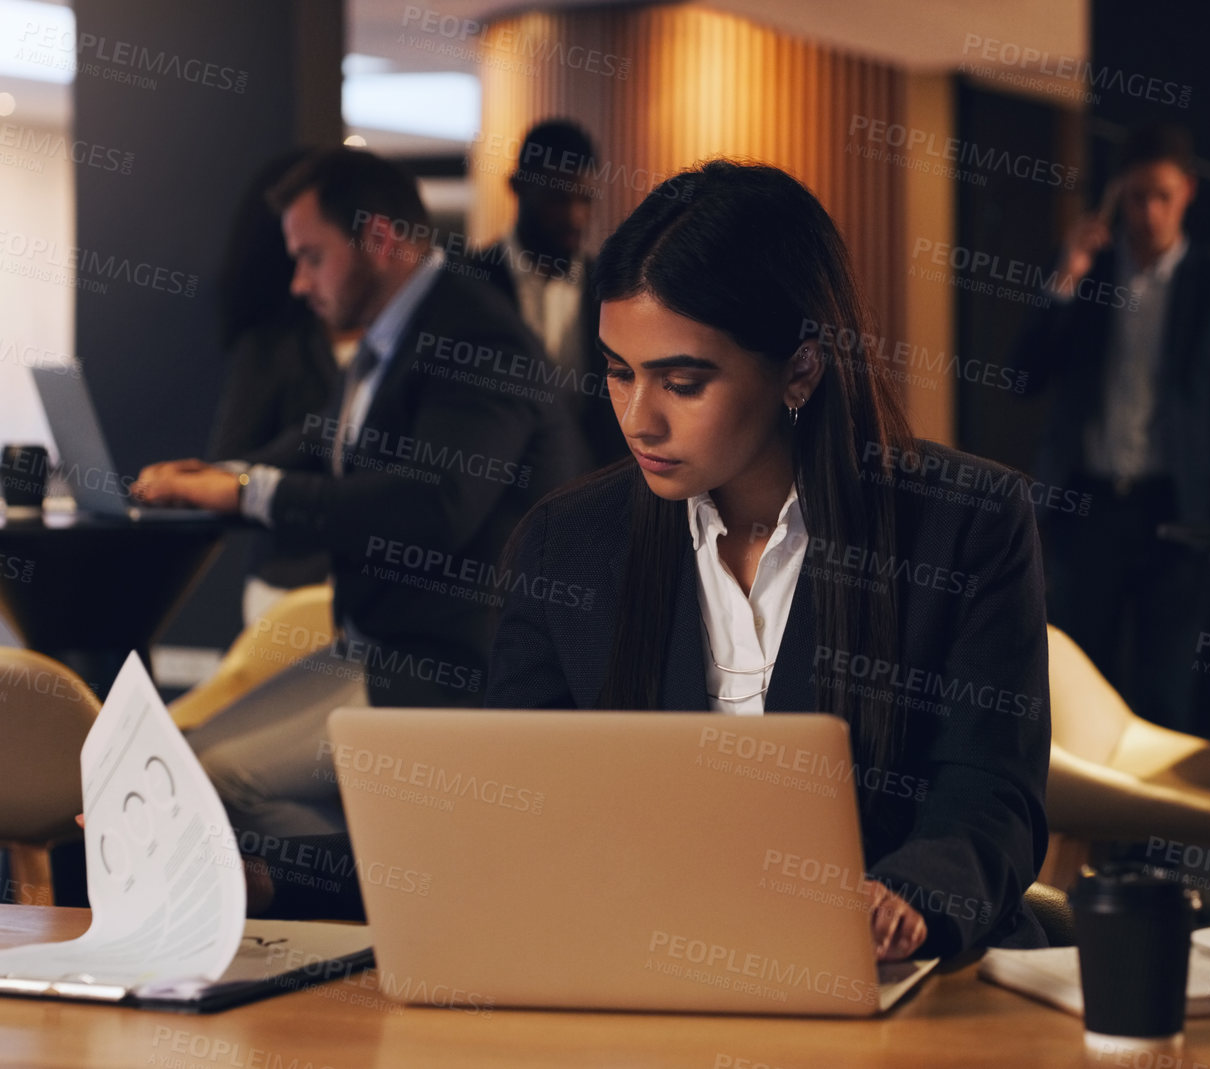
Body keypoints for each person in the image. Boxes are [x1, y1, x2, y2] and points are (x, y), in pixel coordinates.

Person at [235, 160, 1053, 964]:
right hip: (649, 972)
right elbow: (503, 823)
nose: (638, 420)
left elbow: (988, 796)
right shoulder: (570, 542)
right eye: (619, 372)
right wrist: (272, 876)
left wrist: (905, 895)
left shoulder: (965, 524)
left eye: (683, 382)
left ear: (800, 368)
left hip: (902, 987)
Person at [131, 148, 582, 835]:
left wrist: (250, 491)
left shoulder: (478, 339)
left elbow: (434, 507)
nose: (297, 283)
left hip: (456, 671)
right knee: (189, 762)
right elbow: (323, 444)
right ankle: (388, 869)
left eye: (312, 257)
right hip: (380, 645)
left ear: (379, 240)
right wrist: (217, 476)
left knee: (215, 782)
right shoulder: (390, 334)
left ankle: (394, 888)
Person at [1015, 123, 1210, 737]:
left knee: (1168, 696)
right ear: (1117, 197)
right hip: (1089, 511)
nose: (1149, 212)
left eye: (1162, 195)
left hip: (1177, 517)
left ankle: (1161, 835)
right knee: (1081, 694)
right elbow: (1022, 377)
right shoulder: (1088, 275)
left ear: (1186, 191)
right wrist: (1066, 275)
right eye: (1136, 197)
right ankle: (1087, 833)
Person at [206, 149, 348, 623]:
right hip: (290, 588)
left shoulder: (401, 342)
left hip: (372, 593)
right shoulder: (272, 348)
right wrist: (322, 432)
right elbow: (229, 463)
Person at [460, 118, 627, 469]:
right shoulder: (468, 282)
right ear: (517, 187)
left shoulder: (613, 287)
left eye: (585, 199)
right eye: (557, 198)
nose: (575, 217)